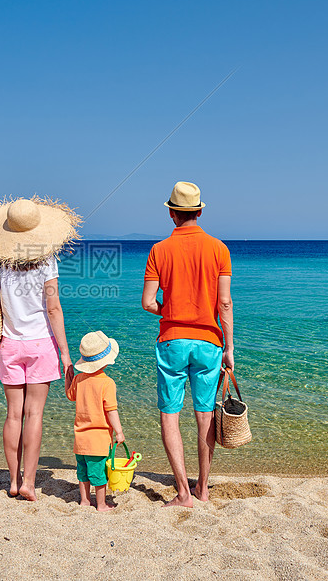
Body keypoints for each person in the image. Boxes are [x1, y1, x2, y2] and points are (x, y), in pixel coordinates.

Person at [0, 196, 80, 501]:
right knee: (34, 415)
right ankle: (29, 484)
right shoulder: (47, 260)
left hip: (10, 343)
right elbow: (54, 308)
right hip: (41, 345)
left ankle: (11, 480)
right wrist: (66, 354)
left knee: (13, 416)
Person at [141, 181, 233, 508]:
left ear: (171, 213)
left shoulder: (159, 251)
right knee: (205, 415)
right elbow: (224, 304)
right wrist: (230, 348)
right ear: (199, 211)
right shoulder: (219, 249)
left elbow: (148, 302)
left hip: (172, 341)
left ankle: (182, 492)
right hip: (209, 342)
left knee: (170, 415)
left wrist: (172, 309)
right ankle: (203, 489)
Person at [65, 330, 125, 511]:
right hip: (98, 441)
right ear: (106, 361)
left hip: (80, 439)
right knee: (99, 475)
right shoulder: (107, 383)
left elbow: (70, 396)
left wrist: (68, 379)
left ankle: (84, 501)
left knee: (83, 472)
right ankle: (100, 504)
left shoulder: (78, 379)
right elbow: (111, 411)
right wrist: (119, 432)